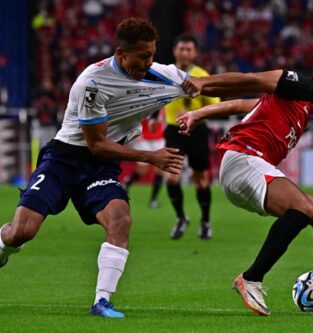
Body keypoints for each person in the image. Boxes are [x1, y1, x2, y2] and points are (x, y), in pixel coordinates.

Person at [0, 18, 188, 318]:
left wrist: (278, 83)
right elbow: (96, 144)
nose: (149, 62)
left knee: (120, 219)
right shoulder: (93, 81)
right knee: (21, 232)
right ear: (122, 53)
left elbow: (220, 82)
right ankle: (3, 244)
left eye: (152, 55)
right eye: (143, 56)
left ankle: (102, 300)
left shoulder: (158, 75)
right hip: (63, 158)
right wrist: (150, 157)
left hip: (100, 167)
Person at [179, 63, 313, 316]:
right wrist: (204, 84)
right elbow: (251, 79)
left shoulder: (301, 104)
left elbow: (242, 106)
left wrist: (198, 114)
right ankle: (251, 278)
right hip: (243, 159)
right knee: (301, 207)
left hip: (251, 167)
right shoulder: (298, 84)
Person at [163, 34, 220, 240]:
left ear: (195, 53)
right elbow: (154, 96)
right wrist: (152, 116)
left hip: (197, 132)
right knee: (171, 178)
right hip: (174, 131)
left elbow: (215, 105)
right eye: (182, 49)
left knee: (201, 181)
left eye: (189, 49)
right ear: (174, 51)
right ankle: (181, 218)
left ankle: (205, 220)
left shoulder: (201, 75)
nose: (185, 53)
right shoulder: (165, 73)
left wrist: (194, 116)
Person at [123, 117, 165, 208]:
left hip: (159, 139)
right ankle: (128, 182)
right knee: (142, 171)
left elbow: (163, 117)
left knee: (160, 170)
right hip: (144, 139)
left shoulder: (162, 104)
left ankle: (153, 200)